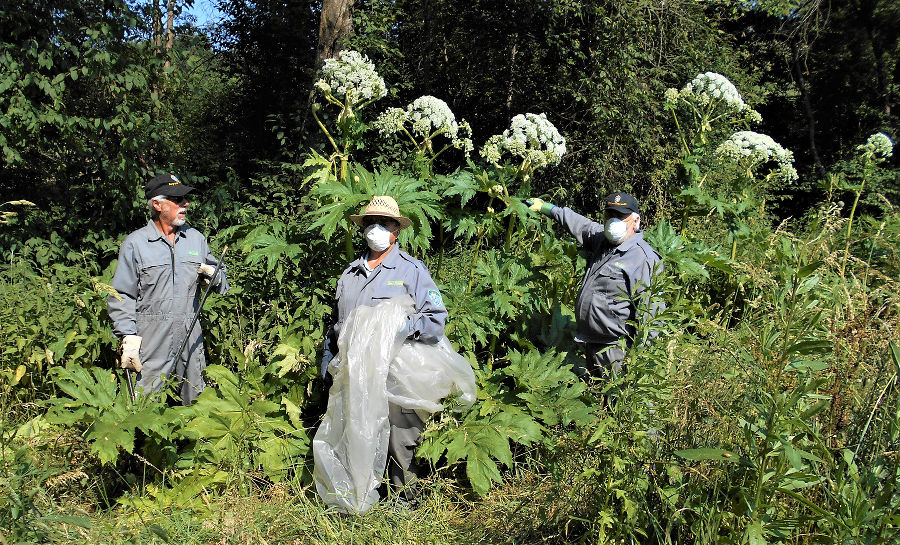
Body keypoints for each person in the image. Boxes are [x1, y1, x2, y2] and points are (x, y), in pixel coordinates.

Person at [320, 195, 447, 506]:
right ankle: (358, 499)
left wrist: (400, 327)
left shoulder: (411, 271)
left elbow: (436, 321)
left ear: (396, 230)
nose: (374, 228)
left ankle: (405, 504)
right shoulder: (349, 275)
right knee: (356, 436)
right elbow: (336, 324)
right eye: (369, 222)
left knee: (401, 442)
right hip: (354, 374)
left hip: (395, 373)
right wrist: (327, 361)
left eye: (384, 223)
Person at [108, 173, 228, 405]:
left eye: (185, 198)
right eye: (178, 199)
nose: (186, 204)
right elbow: (122, 295)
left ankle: (192, 442)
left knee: (196, 402)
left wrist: (214, 276)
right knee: (146, 404)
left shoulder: (196, 239)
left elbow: (221, 281)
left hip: (190, 331)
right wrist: (128, 337)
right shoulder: (136, 244)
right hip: (151, 337)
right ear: (157, 204)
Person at [527, 192, 663, 379]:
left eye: (621, 216)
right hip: (592, 343)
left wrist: (638, 360)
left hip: (618, 350)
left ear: (635, 220)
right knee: (600, 401)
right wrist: (548, 208)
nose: (614, 221)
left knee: (619, 401)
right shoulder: (602, 241)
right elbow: (580, 224)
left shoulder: (643, 258)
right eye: (610, 215)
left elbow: (651, 313)